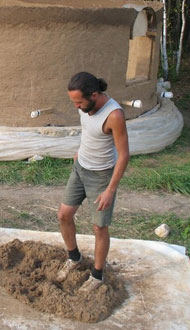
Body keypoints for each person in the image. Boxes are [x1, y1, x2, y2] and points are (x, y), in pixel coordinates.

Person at [56, 72, 129, 290]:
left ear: (94, 95)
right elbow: (88, 132)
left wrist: (110, 190)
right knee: (63, 215)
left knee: (99, 227)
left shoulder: (114, 115)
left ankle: (97, 276)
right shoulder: (85, 107)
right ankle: (74, 258)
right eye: (74, 101)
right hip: (80, 169)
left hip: (101, 177)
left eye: (79, 101)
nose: (76, 106)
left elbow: (124, 155)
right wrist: (80, 152)